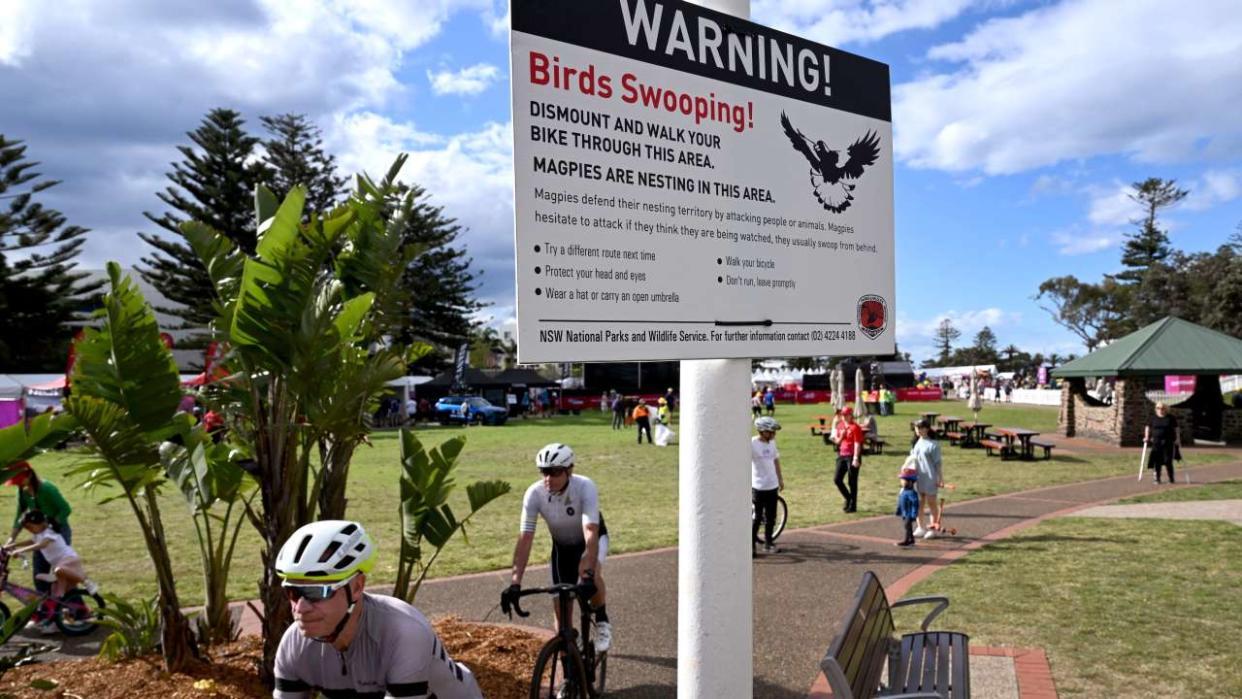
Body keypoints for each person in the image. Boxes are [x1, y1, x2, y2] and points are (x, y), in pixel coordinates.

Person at [273, 520, 481, 699]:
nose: (300, 607)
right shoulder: (294, 643)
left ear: (357, 587)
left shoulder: (404, 633)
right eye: (292, 592)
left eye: (317, 592)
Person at [504, 444, 612, 654]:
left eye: (554, 472)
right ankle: (569, 669)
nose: (548, 478)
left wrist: (589, 575)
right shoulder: (534, 494)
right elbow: (525, 538)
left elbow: (590, 531)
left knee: (588, 572)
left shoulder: (584, 486)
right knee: (560, 614)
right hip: (562, 547)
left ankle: (602, 619)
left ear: (569, 470)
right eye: (544, 472)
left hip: (590, 540)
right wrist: (515, 583)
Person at [6, 510, 91, 633]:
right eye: (27, 528)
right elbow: (32, 541)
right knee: (58, 594)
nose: (29, 530)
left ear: (40, 523)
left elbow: (40, 545)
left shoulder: (49, 533)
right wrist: (12, 546)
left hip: (68, 562)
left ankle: (85, 586)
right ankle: (57, 619)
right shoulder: (39, 533)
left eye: (30, 527)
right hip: (59, 564)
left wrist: (20, 551)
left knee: (62, 592)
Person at [4, 461, 73, 597]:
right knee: (39, 575)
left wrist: (51, 526)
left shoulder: (47, 489)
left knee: (60, 575)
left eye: (19, 480)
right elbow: (20, 516)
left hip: (58, 532)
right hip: (41, 533)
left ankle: (78, 610)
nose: (18, 484)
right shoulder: (24, 493)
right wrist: (11, 540)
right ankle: (46, 610)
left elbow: (65, 509)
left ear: (29, 475)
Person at [751, 417, 784, 556]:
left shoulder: (772, 443)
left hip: (772, 485)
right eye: (772, 432)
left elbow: (776, 460)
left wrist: (780, 479)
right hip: (758, 486)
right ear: (763, 431)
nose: (774, 434)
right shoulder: (752, 444)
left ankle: (768, 543)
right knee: (757, 517)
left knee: (771, 517)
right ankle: (750, 545)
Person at [910, 419, 944, 538]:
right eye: (916, 428)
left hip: (930, 477)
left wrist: (940, 478)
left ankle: (932, 528)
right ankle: (920, 527)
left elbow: (938, 464)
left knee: (931, 503)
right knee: (919, 503)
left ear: (927, 429)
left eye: (920, 427)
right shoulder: (915, 443)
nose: (918, 430)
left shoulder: (933, 444)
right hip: (918, 477)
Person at [833, 407, 865, 512]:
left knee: (852, 481)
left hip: (852, 455)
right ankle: (848, 497)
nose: (844, 417)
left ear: (851, 415)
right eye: (842, 415)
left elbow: (857, 444)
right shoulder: (840, 426)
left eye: (846, 415)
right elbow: (837, 441)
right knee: (837, 479)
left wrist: (856, 458)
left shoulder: (855, 427)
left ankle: (853, 505)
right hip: (842, 454)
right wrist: (841, 437)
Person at [1145, 402, 1181, 484]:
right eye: (1158, 408)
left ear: (1166, 409)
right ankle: (1157, 478)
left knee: (1168, 461)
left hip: (1168, 442)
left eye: (1162, 408)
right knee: (1157, 461)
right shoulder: (1153, 418)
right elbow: (1147, 427)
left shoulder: (1171, 418)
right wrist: (1146, 437)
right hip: (1156, 442)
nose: (1160, 410)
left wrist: (1178, 439)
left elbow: (1176, 429)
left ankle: (1171, 478)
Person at [895, 465, 920, 547]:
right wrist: (899, 510)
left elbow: (915, 503)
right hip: (905, 513)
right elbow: (900, 502)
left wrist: (914, 514)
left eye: (903, 480)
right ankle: (911, 539)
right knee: (908, 526)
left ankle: (907, 540)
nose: (901, 482)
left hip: (909, 514)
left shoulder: (911, 493)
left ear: (910, 482)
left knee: (907, 526)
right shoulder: (903, 492)